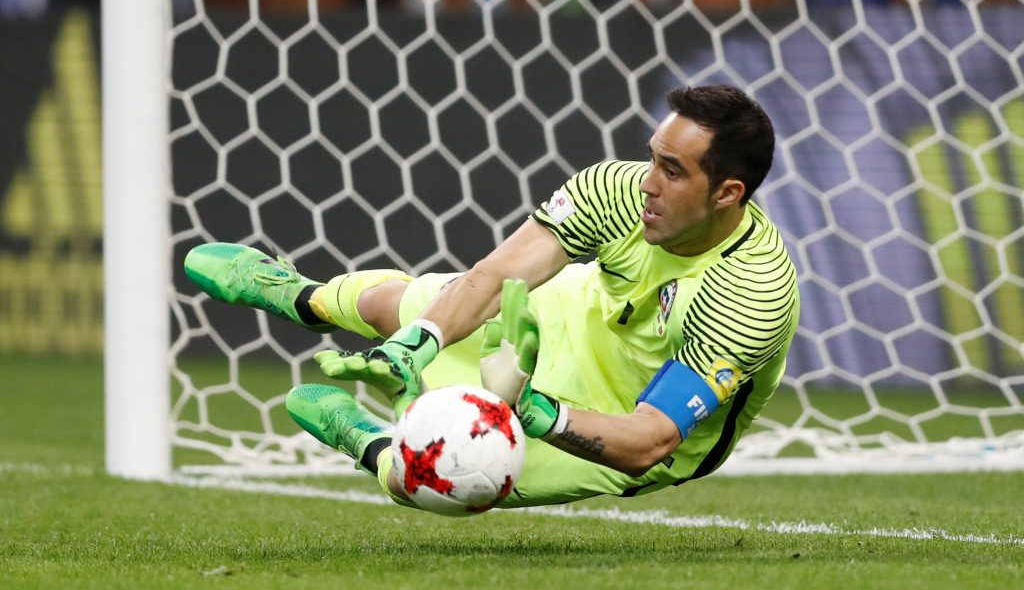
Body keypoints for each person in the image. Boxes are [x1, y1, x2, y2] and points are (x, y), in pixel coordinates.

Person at [184, 84, 800, 509]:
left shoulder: (753, 291)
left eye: (673, 170)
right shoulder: (616, 190)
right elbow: (490, 276)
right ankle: (300, 295)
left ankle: (367, 444)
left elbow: (652, 440)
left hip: (631, 416)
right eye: (651, 159)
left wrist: (529, 408)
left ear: (727, 193)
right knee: (400, 307)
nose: (648, 182)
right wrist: (414, 344)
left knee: (435, 474)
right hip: (576, 318)